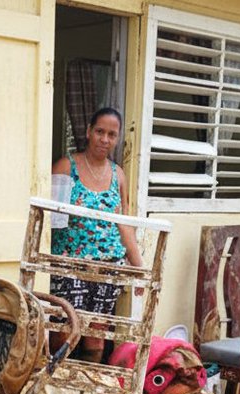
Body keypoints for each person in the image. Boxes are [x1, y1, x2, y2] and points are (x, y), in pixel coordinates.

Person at [49, 107, 143, 362]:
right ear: (89, 132)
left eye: (112, 134)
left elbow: (124, 225)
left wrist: (140, 271)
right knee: (62, 333)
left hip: (107, 269)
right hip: (71, 266)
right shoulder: (66, 166)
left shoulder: (118, 175)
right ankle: (53, 389)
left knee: (97, 338)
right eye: (100, 131)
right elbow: (51, 219)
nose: (105, 139)